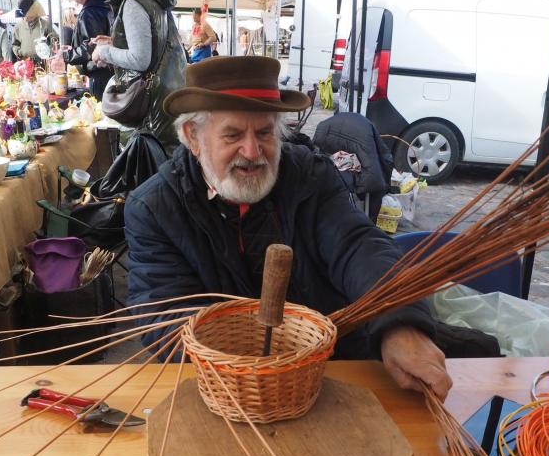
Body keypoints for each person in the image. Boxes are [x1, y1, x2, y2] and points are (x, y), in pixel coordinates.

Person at [125, 57, 500, 400]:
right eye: (233, 135)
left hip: (328, 372)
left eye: (265, 133)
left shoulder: (309, 175)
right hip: (223, 387)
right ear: (193, 136)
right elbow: (164, 315)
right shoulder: (154, 209)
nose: (252, 152)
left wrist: (397, 321)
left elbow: (358, 246)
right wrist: (258, 356)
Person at [91, 0, 186, 153]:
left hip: (152, 103)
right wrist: (115, 43)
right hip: (168, 92)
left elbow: (140, 59)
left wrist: (104, 51)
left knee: (152, 163)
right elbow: (156, 44)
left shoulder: (134, 2)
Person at [63, 0, 113, 98]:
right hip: (110, 71)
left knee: (99, 107)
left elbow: (92, 46)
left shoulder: (90, 12)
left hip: (99, 74)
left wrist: (66, 55)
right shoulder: (106, 6)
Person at [12, 0, 58, 64]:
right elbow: (15, 44)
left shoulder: (45, 25)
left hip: (43, 63)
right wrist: (19, 52)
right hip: (24, 62)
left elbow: (55, 41)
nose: (26, 17)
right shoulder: (18, 27)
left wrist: (47, 51)